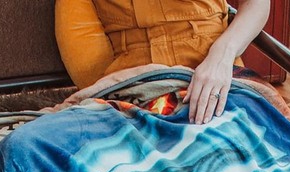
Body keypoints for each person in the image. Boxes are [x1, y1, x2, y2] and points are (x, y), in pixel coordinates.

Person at [54, 0, 271, 124]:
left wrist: (222, 56)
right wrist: (112, 87)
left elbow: (257, 3)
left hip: (213, 75)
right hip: (131, 84)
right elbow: (83, 48)